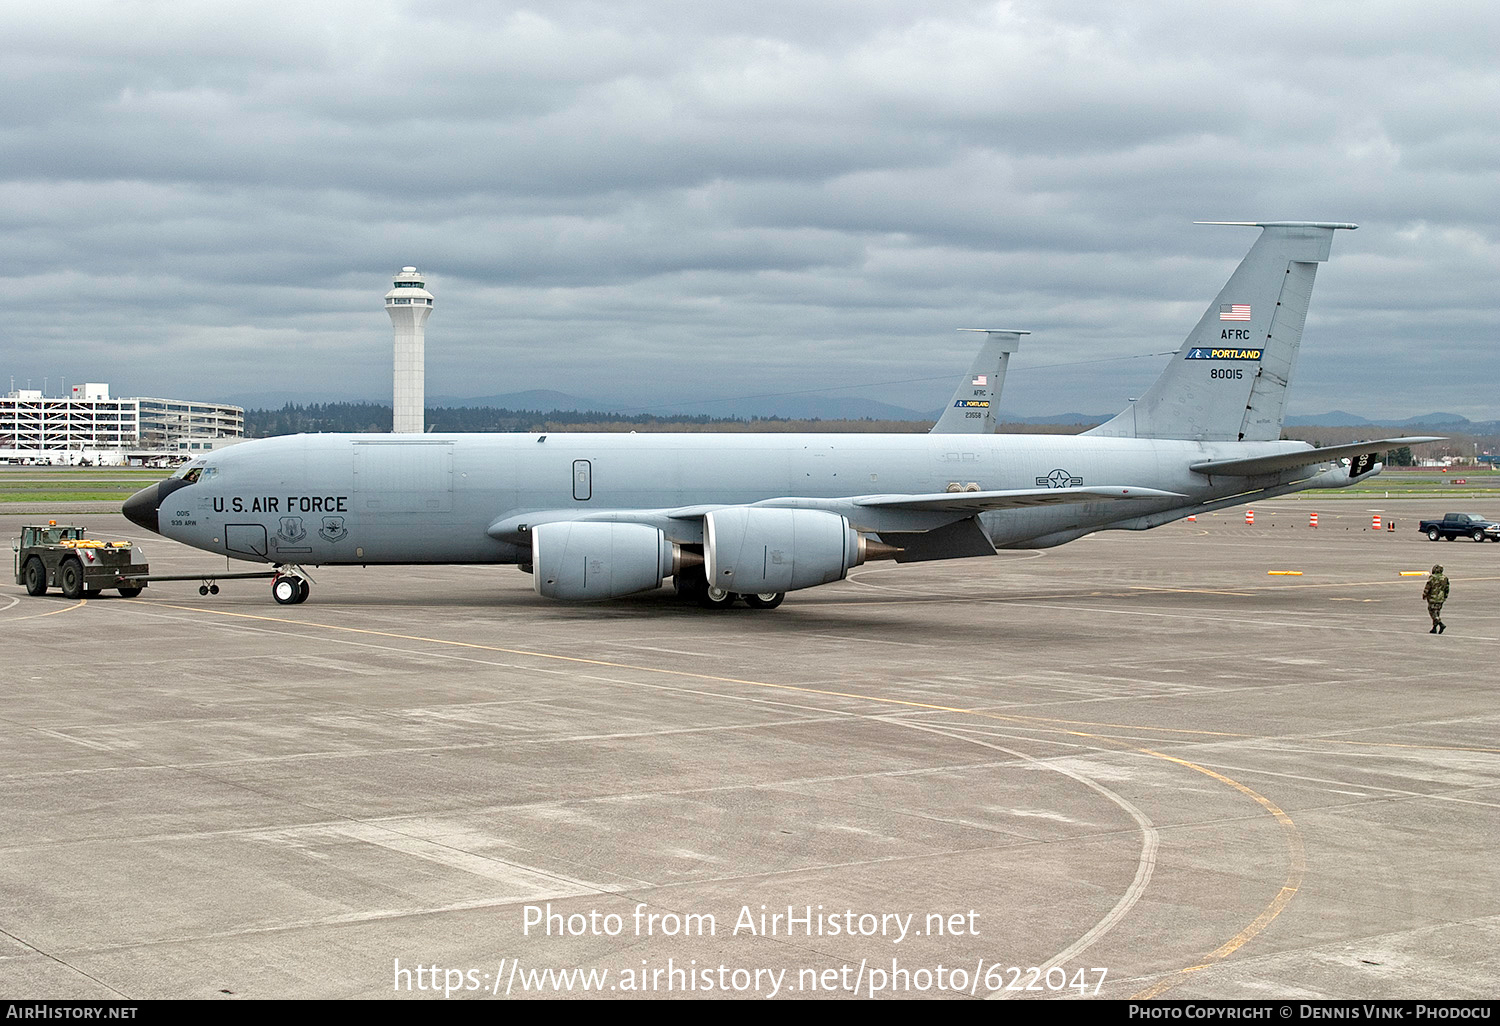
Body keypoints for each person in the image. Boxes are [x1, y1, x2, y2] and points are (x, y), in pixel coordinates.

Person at [1422, 564, 1449, 634]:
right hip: (1441, 598)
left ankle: (1441, 624)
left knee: (1432, 612)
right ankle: (1434, 628)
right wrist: (1445, 597)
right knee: (1437, 612)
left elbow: (1428, 587)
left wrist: (1424, 595)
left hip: (1433, 598)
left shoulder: (1432, 577)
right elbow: (1447, 589)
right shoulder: (1445, 578)